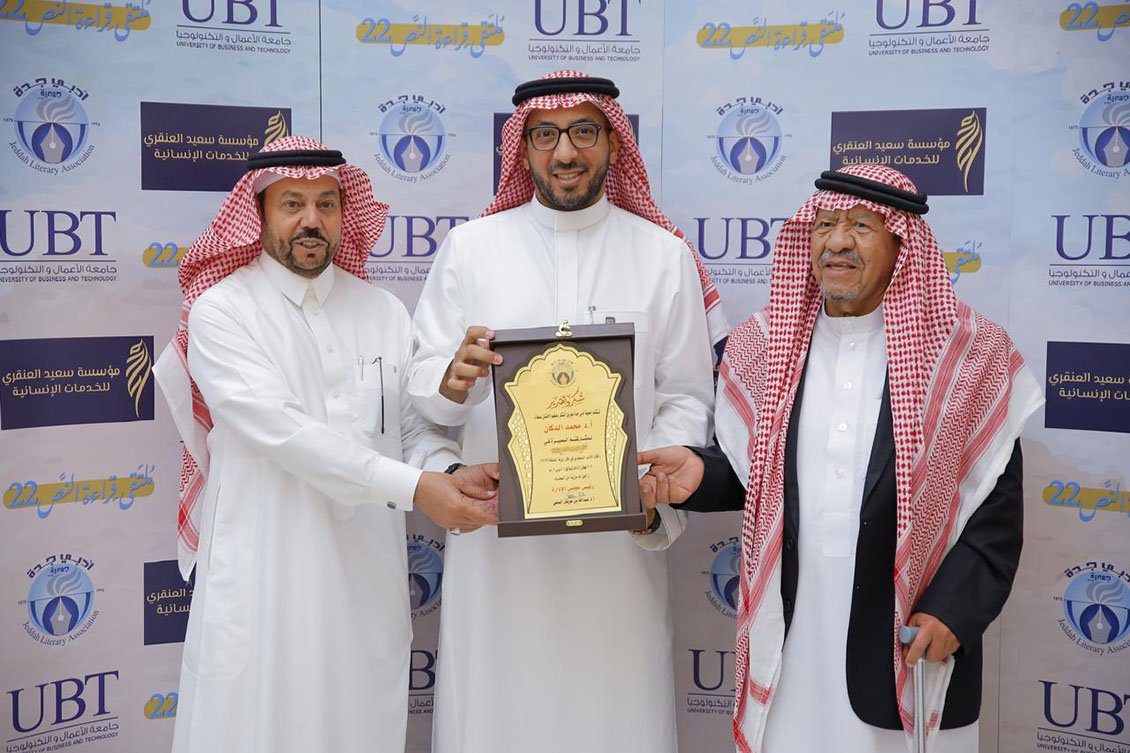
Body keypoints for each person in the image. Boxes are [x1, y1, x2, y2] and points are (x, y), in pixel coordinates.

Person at [639, 165, 1043, 753]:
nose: (837, 242)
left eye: (860, 227)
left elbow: (995, 514)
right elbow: (757, 477)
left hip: (906, 641)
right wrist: (698, 477)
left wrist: (953, 613)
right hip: (792, 640)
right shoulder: (762, 349)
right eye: (824, 225)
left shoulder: (968, 357)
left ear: (902, 244)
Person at [406, 71, 728, 752]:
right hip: (498, 558)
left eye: (584, 131)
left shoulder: (663, 256)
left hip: (618, 558)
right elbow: (425, 404)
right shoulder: (471, 249)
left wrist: (647, 492)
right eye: (545, 135)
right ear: (521, 149)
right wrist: (453, 381)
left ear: (613, 142)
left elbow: (686, 397)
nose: (565, 152)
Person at [152, 135, 497, 753]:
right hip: (267, 578)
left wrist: (448, 471)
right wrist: (418, 488)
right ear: (259, 214)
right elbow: (284, 433)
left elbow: (407, 429)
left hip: (366, 579)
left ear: (345, 213)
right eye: (292, 203)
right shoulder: (222, 311)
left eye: (327, 204)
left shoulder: (383, 310)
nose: (311, 220)